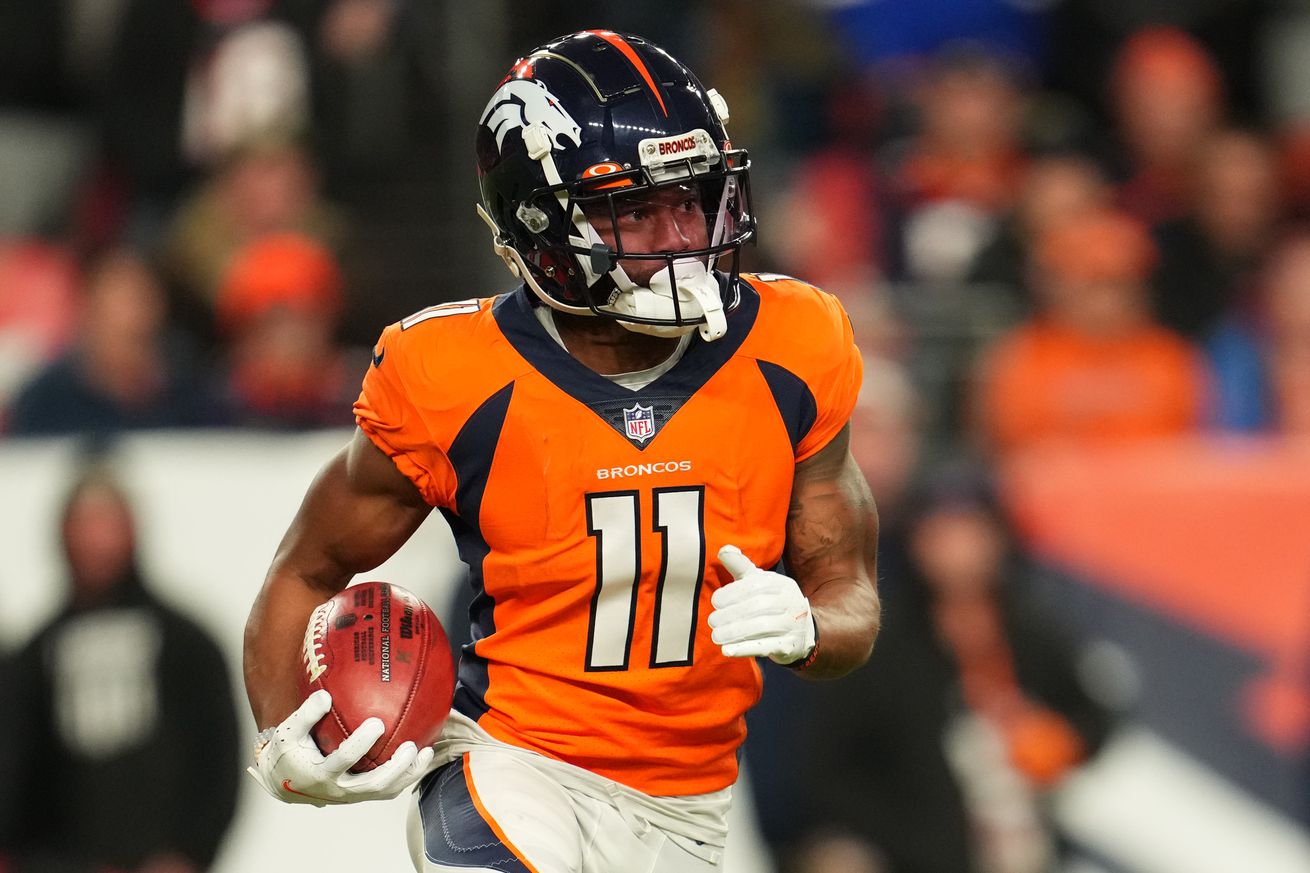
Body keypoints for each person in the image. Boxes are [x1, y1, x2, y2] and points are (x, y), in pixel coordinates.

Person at [242, 28, 880, 873]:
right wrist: (285, 731)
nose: (680, 232)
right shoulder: (450, 373)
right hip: (514, 764)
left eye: (691, 196)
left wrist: (810, 624)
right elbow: (307, 569)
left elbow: (851, 594)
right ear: (538, 220)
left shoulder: (797, 343)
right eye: (635, 208)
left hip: (690, 808)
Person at [0, 458, 241, 872]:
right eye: (85, 526)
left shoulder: (188, 644)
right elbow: (18, 772)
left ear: (133, 529)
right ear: (62, 534)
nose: (97, 542)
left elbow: (218, 757)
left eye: (107, 524)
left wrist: (189, 852)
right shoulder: (33, 658)